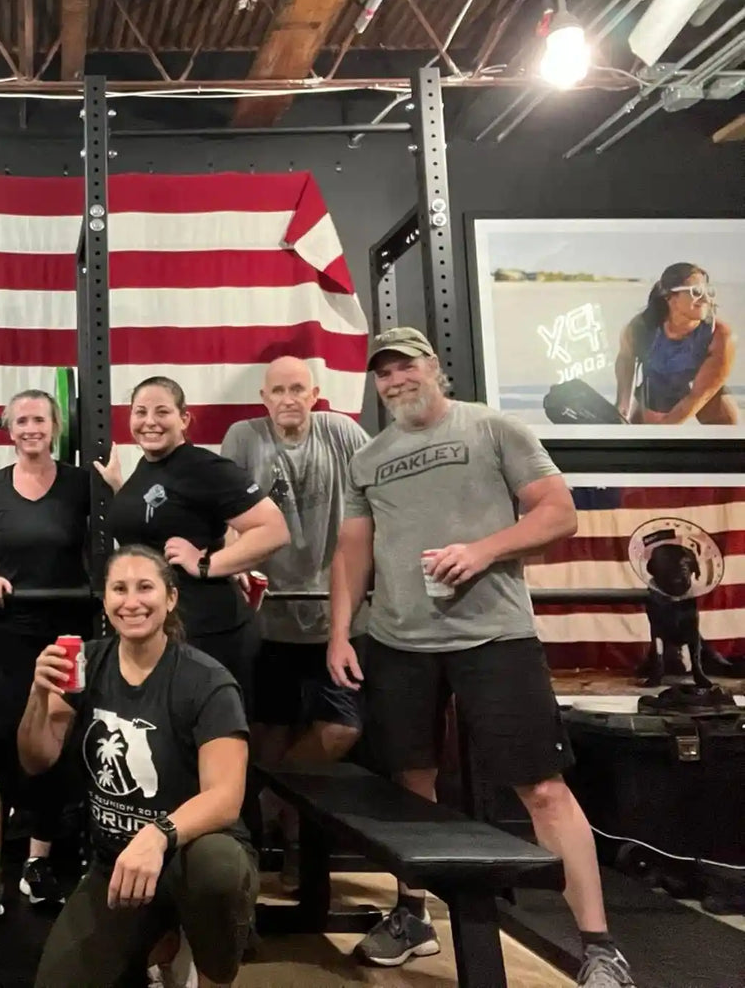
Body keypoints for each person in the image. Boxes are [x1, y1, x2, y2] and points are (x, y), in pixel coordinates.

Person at [327, 327, 633, 988]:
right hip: (400, 641)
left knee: (544, 789)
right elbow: (352, 550)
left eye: (406, 365)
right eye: (383, 373)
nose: (396, 380)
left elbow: (558, 513)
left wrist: (484, 549)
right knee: (410, 785)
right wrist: (340, 632)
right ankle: (413, 914)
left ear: (434, 366)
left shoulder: (493, 428)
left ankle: (599, 945)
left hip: (496, 636)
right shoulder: (369, 457)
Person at [19, 545, 258, 988]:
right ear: (105, 602)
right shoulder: (87, 663)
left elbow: (226, 798)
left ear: (170, 599)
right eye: (119, 589)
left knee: (218, 864)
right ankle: (158, 938)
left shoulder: (207, 681)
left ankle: (213, 976)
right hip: (117, 864)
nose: (132, 601)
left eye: (145, 587)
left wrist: (157, 835)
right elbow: (37, 759)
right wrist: (37, 695)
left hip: (188, 857)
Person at [220, 356, 370, 879]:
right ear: (264, 397)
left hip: (337, 618)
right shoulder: (245, 436)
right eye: (278, 390)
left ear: (315, 393)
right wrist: (234, 559)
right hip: (268, 617)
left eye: (298, 389)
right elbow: (230, 511)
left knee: (340, 728)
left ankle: (283, 804)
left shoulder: (344, 433)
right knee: (266, 730)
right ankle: (275, 841)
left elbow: (371, 504)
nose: (288, 398)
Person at [0, 389, 92, 912]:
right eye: (21, 420)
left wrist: (120, 486)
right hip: (6, 632)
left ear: (55, 425)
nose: (31, 428)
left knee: (52, 742)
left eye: (40, 418)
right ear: (9, 428)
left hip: (66, 632)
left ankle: (38, 859)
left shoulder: (82, 485)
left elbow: (115, 538)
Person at [97, 376, 290, 708]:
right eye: (140, 412)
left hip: (207, 633)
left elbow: (273, 529)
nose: (150, 422)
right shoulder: (147, 468)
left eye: (162, 412)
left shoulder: (205, 468)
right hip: (159, 631)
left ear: (184, 419)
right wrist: (119, 490)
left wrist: (207, 564)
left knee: (210, 737)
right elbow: (158, 520)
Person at [614, 262, 737, 426]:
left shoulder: (720, 335)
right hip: (656, 387)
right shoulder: (642, 327)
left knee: (730, 436)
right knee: (642, 443)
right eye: (696, 292)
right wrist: (622, 404)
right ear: (670, 297)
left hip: (699, 388)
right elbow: (626, 357)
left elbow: (700, 395)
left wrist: (667, 430)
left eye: (708, 292)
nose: (706, 299)